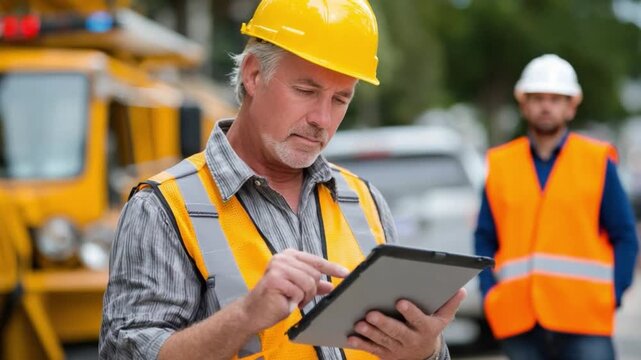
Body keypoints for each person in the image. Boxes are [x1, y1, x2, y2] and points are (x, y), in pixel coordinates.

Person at [99, 0, 465, 359]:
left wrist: (425, 352)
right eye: (306, 91)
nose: (322, 118)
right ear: (254, 74)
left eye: (340, 99)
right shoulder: (163, 209)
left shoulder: (364, 200)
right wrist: (244, 317)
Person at [474, 54, 640, 360]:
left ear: (571, 106)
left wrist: (612, 295)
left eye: (555, 98)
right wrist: (490, 295)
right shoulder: (501, 164)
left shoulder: (597, 160)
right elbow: (485, 237)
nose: (546, 106)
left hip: (585, 322)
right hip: (518, 321)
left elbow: (625, 236)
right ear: (523, 104)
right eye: (537, 98)